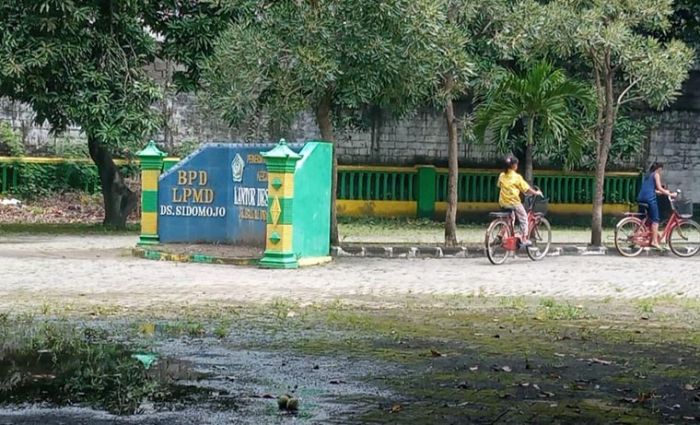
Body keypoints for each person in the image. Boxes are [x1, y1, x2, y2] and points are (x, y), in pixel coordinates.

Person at [497, 156, 543, 246]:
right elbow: (526, 189)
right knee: (524, 218)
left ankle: (501, 234)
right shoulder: (516, 177)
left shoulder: (501, 175)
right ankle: (525, 238)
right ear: (514, 166)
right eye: (516, 164)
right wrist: (536, 192)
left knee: (510, 218)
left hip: (503, 202)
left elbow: (499, 185)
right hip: (514, 203)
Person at [637, 162, 676, 249]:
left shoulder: (647, 175)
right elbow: (660, 188)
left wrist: (664, 192)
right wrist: (671, 194)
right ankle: (654, 242)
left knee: (647, 219)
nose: (661, 173)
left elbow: (653, 190)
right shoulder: (656, 174)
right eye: (661, 170)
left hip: (641, 198)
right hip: (649, 199)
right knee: (656, 220)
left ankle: (647, 236)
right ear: (659, 169)